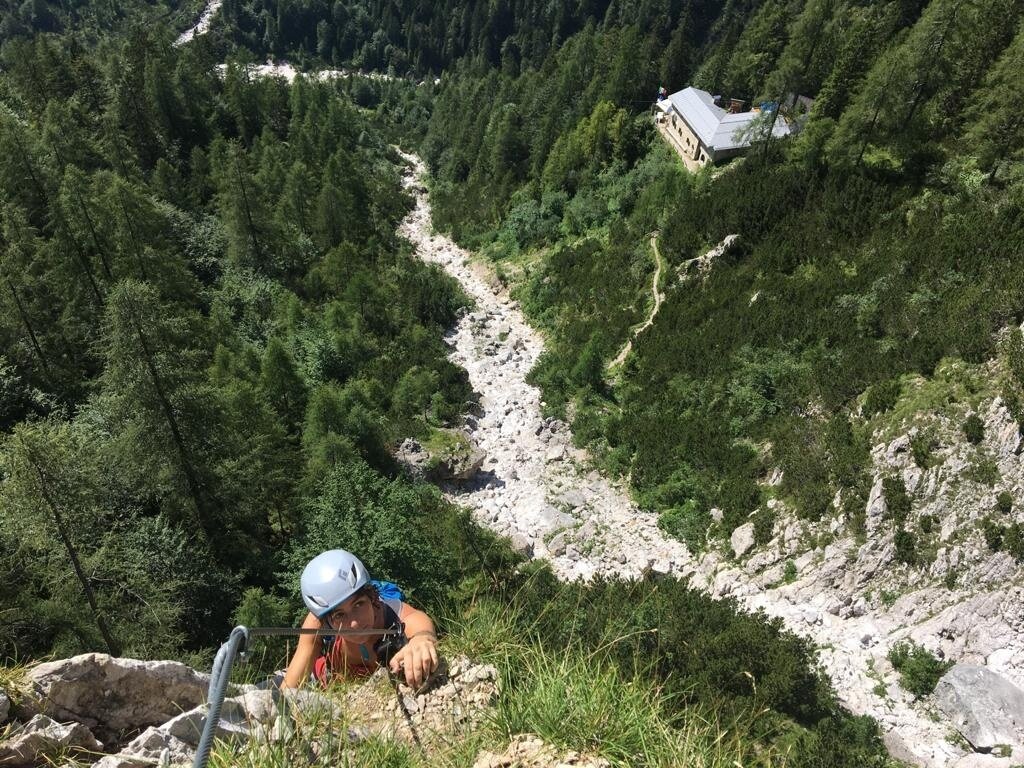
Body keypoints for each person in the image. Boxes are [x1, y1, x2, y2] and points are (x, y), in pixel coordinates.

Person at [282, 549, 439, 690]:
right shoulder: (317, 624)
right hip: (325, 675)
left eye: (358, 604)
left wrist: (420, 640)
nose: (354, 623)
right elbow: (289, 689)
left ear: (372, 597)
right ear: (327, 621)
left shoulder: (393, 614)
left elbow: (419, 624)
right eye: (339, 615)